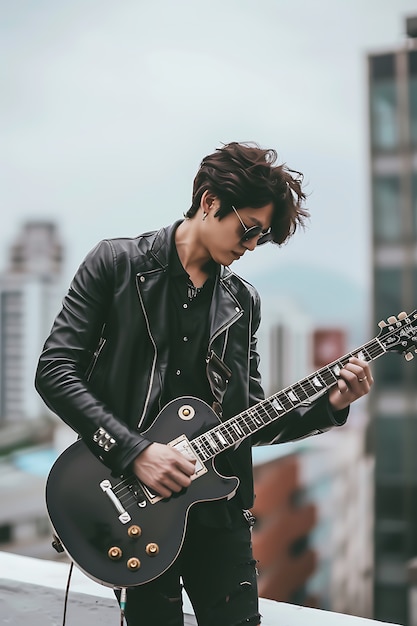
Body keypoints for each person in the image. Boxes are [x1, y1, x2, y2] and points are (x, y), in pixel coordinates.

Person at [35, 141, 373, 626]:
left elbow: (250, 419)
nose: (252, 246)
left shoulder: (242, 302)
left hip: (219, 512)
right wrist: (135, 452)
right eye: (250, 230)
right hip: (133, 506)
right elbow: (55, 371)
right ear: (210, 202)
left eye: (262, 238)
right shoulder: (115, 264)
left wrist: (331, 405)